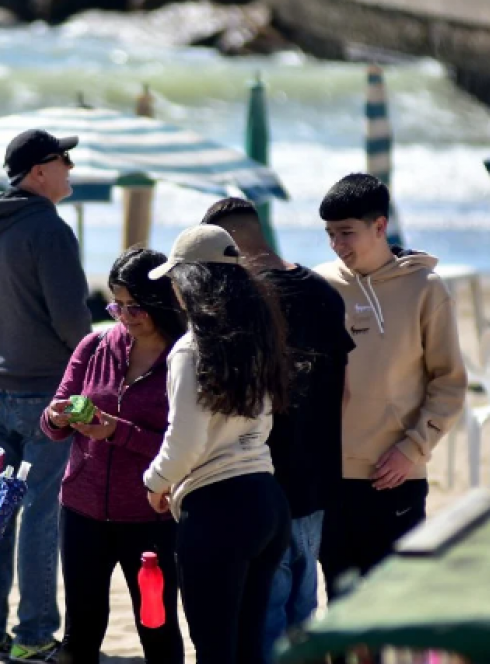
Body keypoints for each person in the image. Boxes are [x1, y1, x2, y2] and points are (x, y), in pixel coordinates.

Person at [200, 198, 353, 661]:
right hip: (316, 480)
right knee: (302, 607)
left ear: (229, 245)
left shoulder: (239, 301)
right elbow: (344, 391)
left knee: (263, 612)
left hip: (255, 482)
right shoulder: (324, 292)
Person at [0, 129, 91, 662]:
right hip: (46, 387)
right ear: (39, 172)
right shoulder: (48, 228)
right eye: (64, 160)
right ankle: (35, 631)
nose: (69, 168)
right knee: (41, 512)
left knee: (0, 512)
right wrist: (92, 358)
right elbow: (72, 320)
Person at [143, 225, 292, 664]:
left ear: (191, 281)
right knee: (247, 647)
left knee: (213, 649)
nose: (173, 290)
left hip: (217, 507)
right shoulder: (259, 336)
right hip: (266, 499)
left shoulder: (193, 348)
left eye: (174, 279)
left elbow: (187, 437)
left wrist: (155, 481)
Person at [315, 174, 467, 599]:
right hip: (328, 482)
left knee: (392, 608)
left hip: (395, 476)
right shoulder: (318, 287)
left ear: (380, 227)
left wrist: (412, 448)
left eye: (346, 233)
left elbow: (450, 383)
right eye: (329, 234)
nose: (337, 245)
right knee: (341, 609)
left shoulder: (426, 288)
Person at [39, 248, 186, 664]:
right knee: (80, 632)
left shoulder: (185, 358)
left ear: (163, 300)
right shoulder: (95, 344)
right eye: (116, 305)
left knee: (156, 629)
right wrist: (56, 416)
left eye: (135, 306)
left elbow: (185, 446)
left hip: (150, 517)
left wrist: (117, 431)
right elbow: (51, 424)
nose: (125, 316)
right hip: (82, 511)